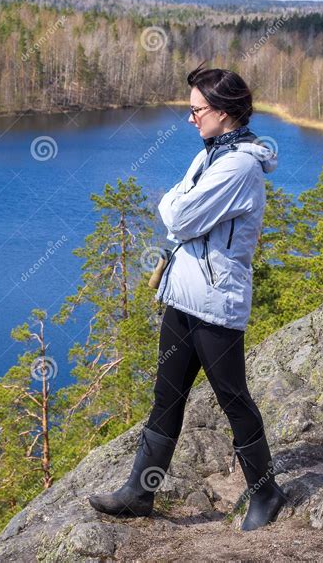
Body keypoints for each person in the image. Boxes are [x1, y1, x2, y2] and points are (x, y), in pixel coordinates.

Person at [88, 62, 287, 531]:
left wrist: (175, 203)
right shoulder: (210, 154)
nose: (190, 118)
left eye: (196, 109)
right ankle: (139, 492)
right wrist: (178, 203)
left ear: (222, 111)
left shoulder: (238, 165)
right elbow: (181, 209)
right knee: (166, 397)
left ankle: (267, 492)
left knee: (233, 397)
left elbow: (177, 217)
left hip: (217, 304)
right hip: (183, 298)